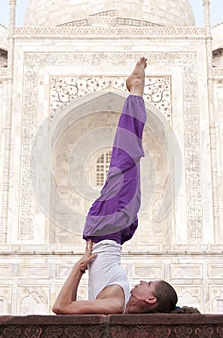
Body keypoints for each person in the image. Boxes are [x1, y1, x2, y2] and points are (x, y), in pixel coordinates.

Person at [52, 57, 178, 315]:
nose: (143, 281)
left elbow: (61, 307)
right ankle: (135, 92)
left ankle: (136, 90)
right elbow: (69, 306)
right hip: (113, 230)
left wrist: (79, 267)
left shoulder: (115, 304)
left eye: (149, 284)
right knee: (128, 159)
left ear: (150, 299)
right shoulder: (117, 302)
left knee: (127, 157)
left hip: (109, 225)